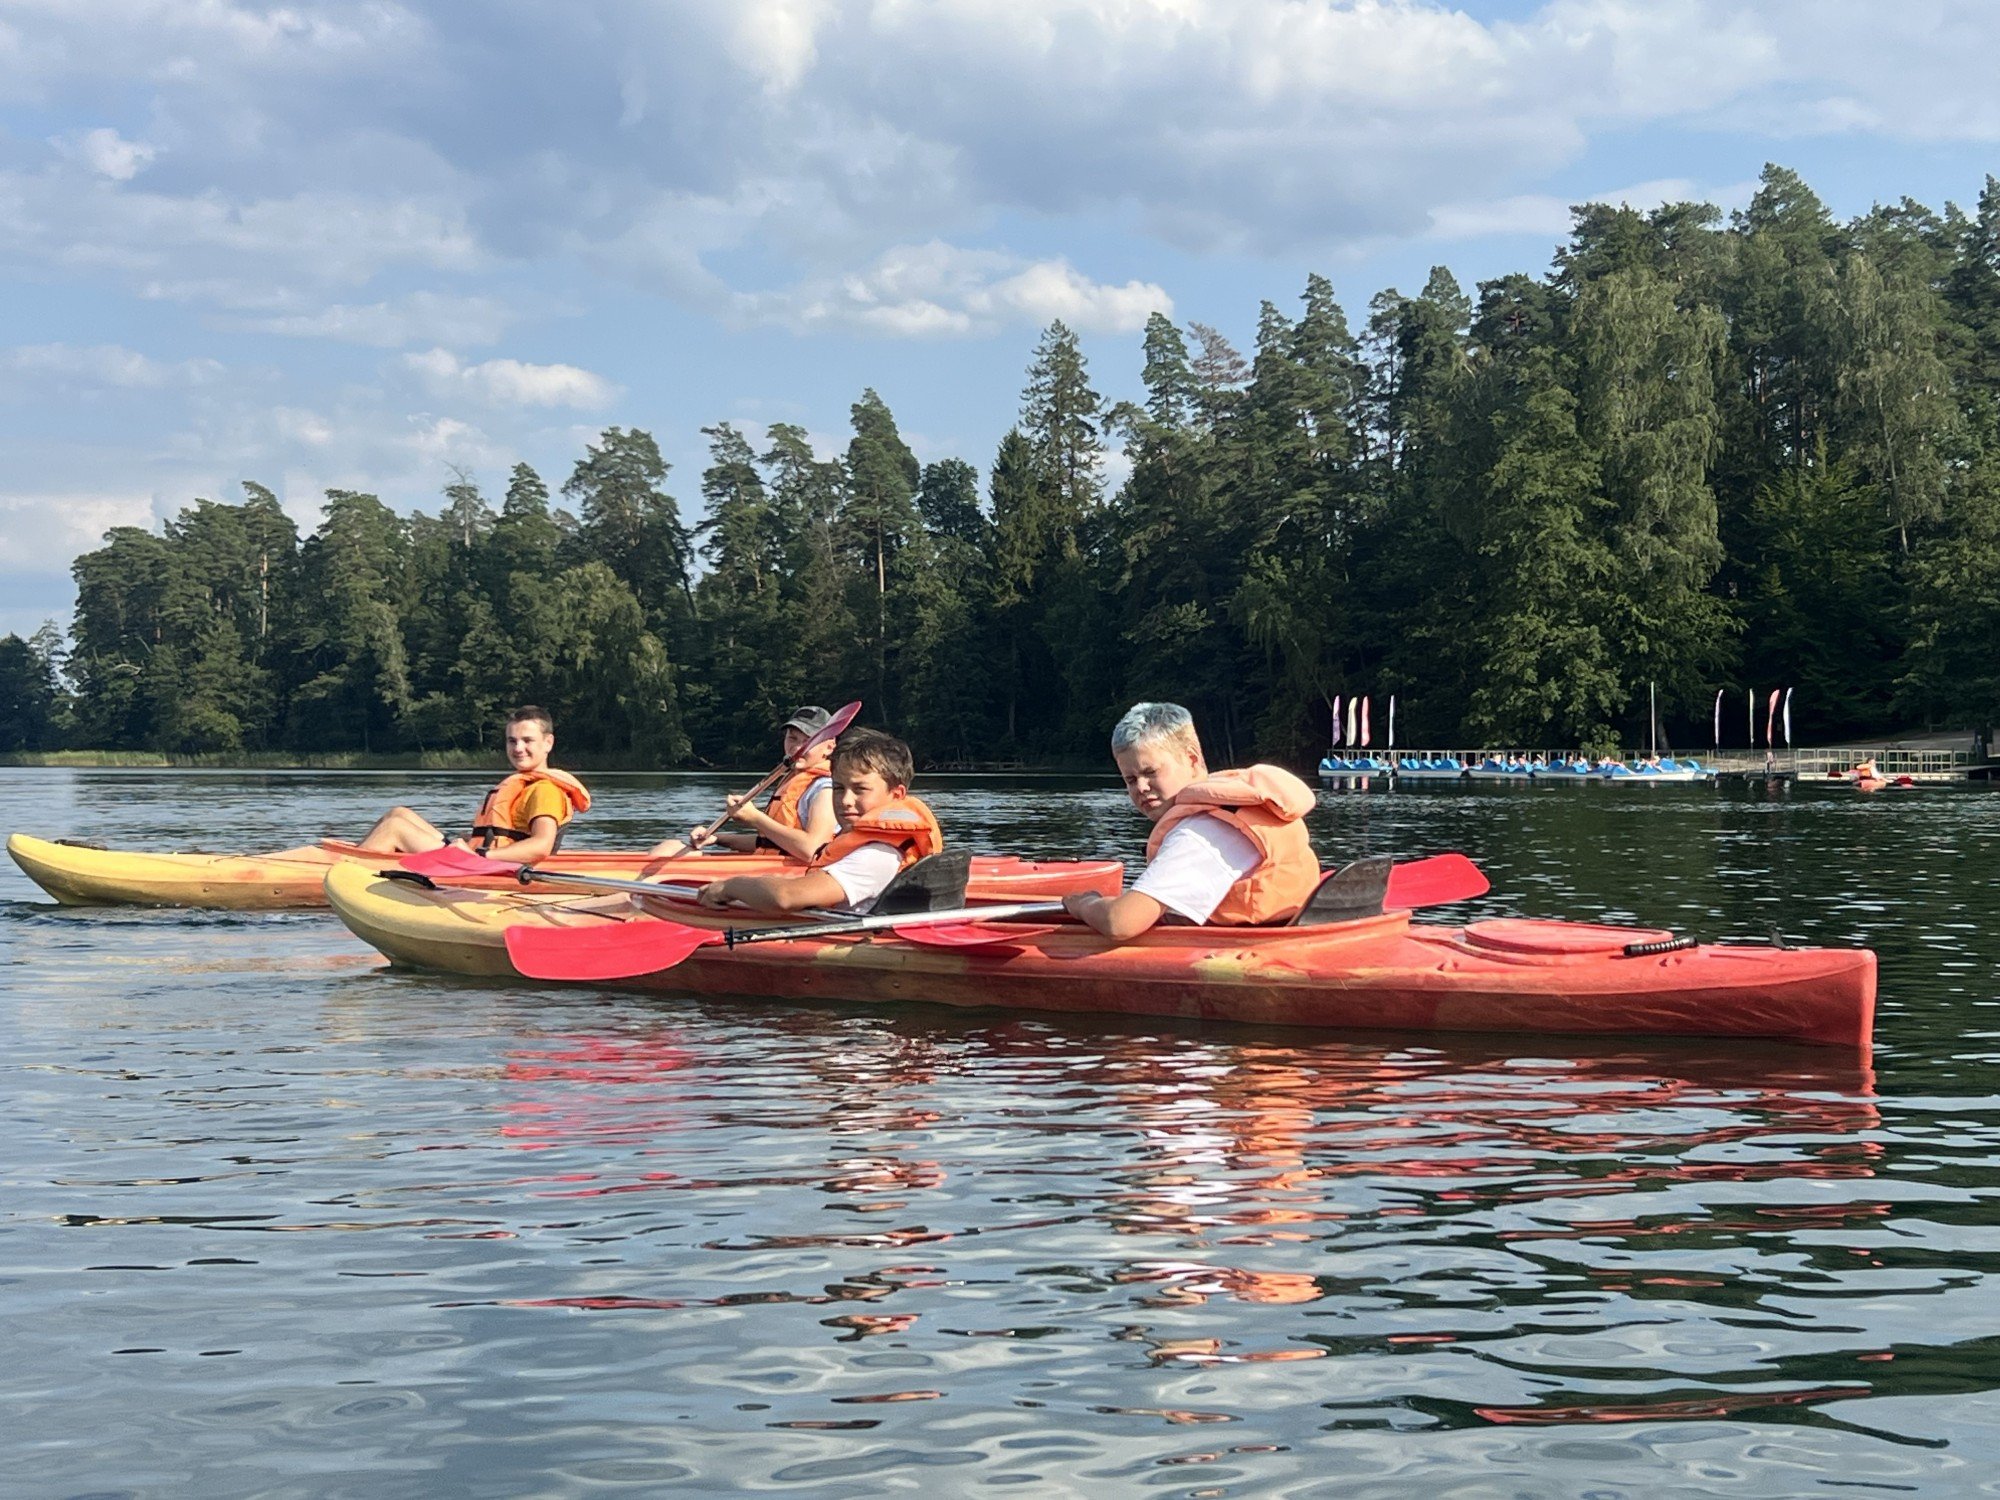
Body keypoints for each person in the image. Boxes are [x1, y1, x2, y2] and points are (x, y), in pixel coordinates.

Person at [1063, 702, 1321, 941]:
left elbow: (1120, 922)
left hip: (1253, 951)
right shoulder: (1239, 807)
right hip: (1286, 932)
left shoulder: (1201, 833)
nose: (1141, 787)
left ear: (1192, 759)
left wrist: (1085, 905)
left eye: (1150, 772)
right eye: (1130, 779)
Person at [695, 728, 941, 915]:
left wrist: (730, 887)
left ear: (896, 795)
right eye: (838, 788)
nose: (845, 800)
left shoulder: (878, 855)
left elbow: (785, 898)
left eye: (860, 789)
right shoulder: (867, 842)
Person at [351, 705, 588, 866]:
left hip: (486, 864)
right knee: (398, 813)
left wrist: (484, 853)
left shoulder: (545, 790)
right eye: (512, 740)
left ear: (548, 743)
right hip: (476, 855)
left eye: (527, 741)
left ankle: (341, 875)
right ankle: (350, 859)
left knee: (394, 828)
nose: (518, 748)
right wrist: (471, 840)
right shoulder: (525, 784)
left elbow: (541, 846)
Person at [649, 706, 839, 861]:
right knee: (671, 847)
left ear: (829, 747)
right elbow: (769, 843)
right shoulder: (791, 779)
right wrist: (717, 839)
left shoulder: (824, 790)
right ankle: (639, 892)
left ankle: (639, 893)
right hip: (768, 870)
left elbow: (812, 850)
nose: (796, 747)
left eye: (808, 741)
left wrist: (755, 818)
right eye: (792, 738)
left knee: (671, 854)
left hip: (789, 880)